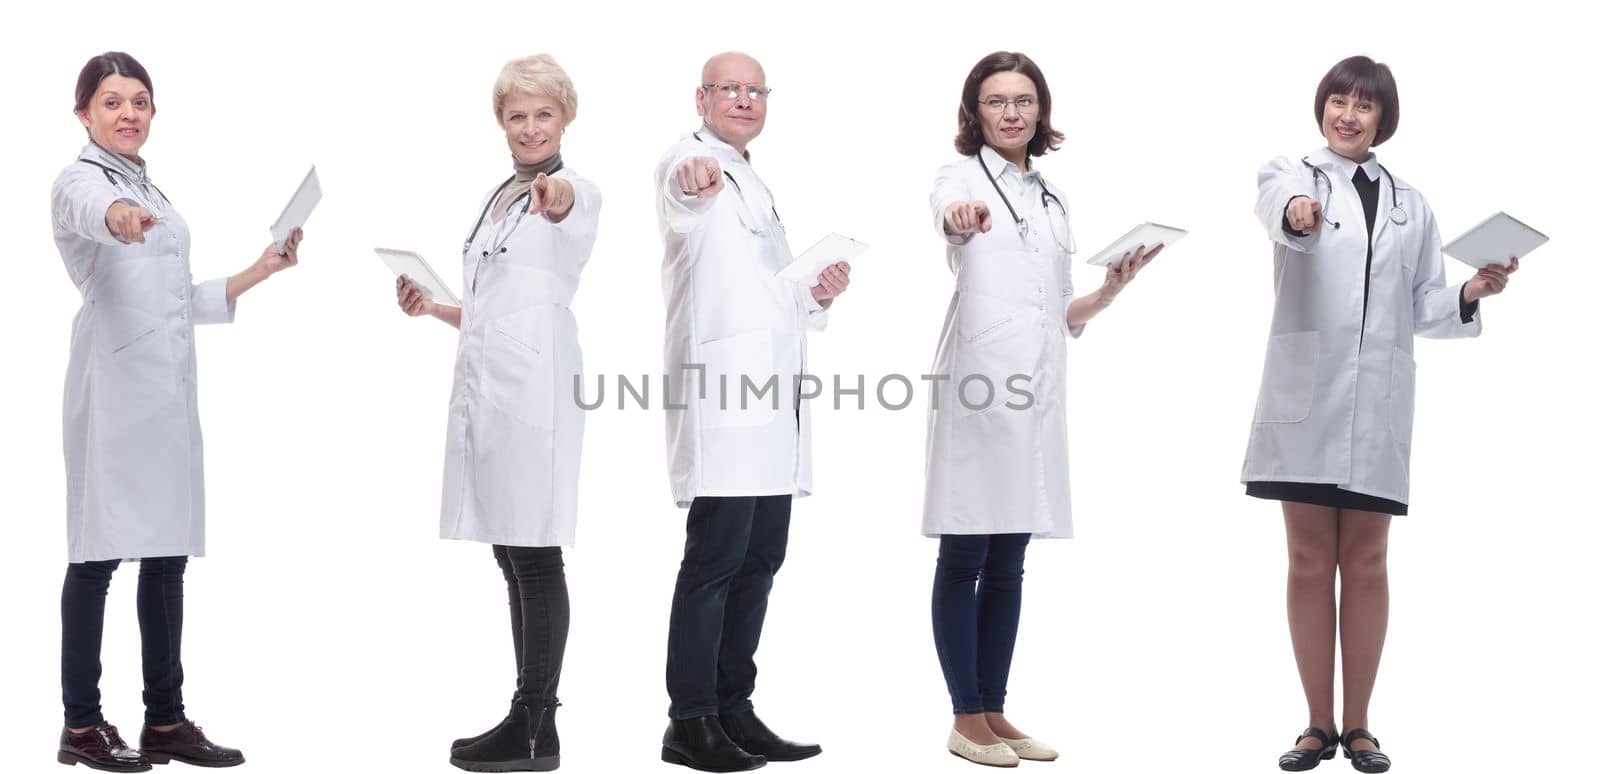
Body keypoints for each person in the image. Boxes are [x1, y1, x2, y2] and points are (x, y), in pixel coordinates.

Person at [1243, 55, 1519, 774]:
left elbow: (1423, 304)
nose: (1348, 115)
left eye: (1364, 106)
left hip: (1378, 407)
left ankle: (1359, 728)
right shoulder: (1290, 173)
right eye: (1338, 100)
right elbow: (1282, 216)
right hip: (1305, 400)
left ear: (1383, 119)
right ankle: (1315, 726)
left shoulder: (1412, 203)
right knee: (1308, 560)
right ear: (1322, 107)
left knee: (1366, 562)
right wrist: (1299, 214)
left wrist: (1472, 291)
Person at [52, 51, 301, 772]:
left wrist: (263, 268)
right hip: (114, 394)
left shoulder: (146, 183)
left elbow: (174, 300)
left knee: (164, 558)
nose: (128, 112)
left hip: (164, 396)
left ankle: (164, 720)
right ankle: (80, 724)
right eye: (110, 101)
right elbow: (96, 216)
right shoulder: (84, 183)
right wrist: (120, 217)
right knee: (96, 557)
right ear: (84, 115)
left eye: (139, 100)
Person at [923, 51, 1159, 768]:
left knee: (1010, 555)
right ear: (975, 113)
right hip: (981, 382)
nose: (1012, 112)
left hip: (1037, 387)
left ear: (1040, 111)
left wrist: (1111, 289)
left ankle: (995, 709)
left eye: (1024, 100)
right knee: (967, 545)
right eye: (997, 101)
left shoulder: (1052, 197)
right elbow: (951, 219)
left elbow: (1063, 307)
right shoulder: (958, 179)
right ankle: (965, 716)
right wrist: (961, 219)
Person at [394, 54, 600, 773]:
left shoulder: (569, 190)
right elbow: (494, 312)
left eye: (544, 113)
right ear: (502, 122)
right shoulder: (500, 196)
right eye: (518, 115)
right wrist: (436, 306)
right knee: (511, 554)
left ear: (564, 118)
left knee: (535, 553)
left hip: (536, 394)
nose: (531, 126)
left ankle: (539, 726)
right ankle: (524, 714)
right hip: (497, 388)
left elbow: (568, 204)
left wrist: (557, 195)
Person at [653, 51, 851, 773]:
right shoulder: (689, 160)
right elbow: (682, 192)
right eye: (728, 89)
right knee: (714, 560)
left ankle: (734, 708)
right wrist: (693, 179)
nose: (743, 99)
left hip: (773, 402)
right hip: (725, 398)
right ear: (701, 97)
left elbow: (775, 291)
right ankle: (689, 721)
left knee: (762, 558)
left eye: (754, 90)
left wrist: (818, 291)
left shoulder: (757, 181)